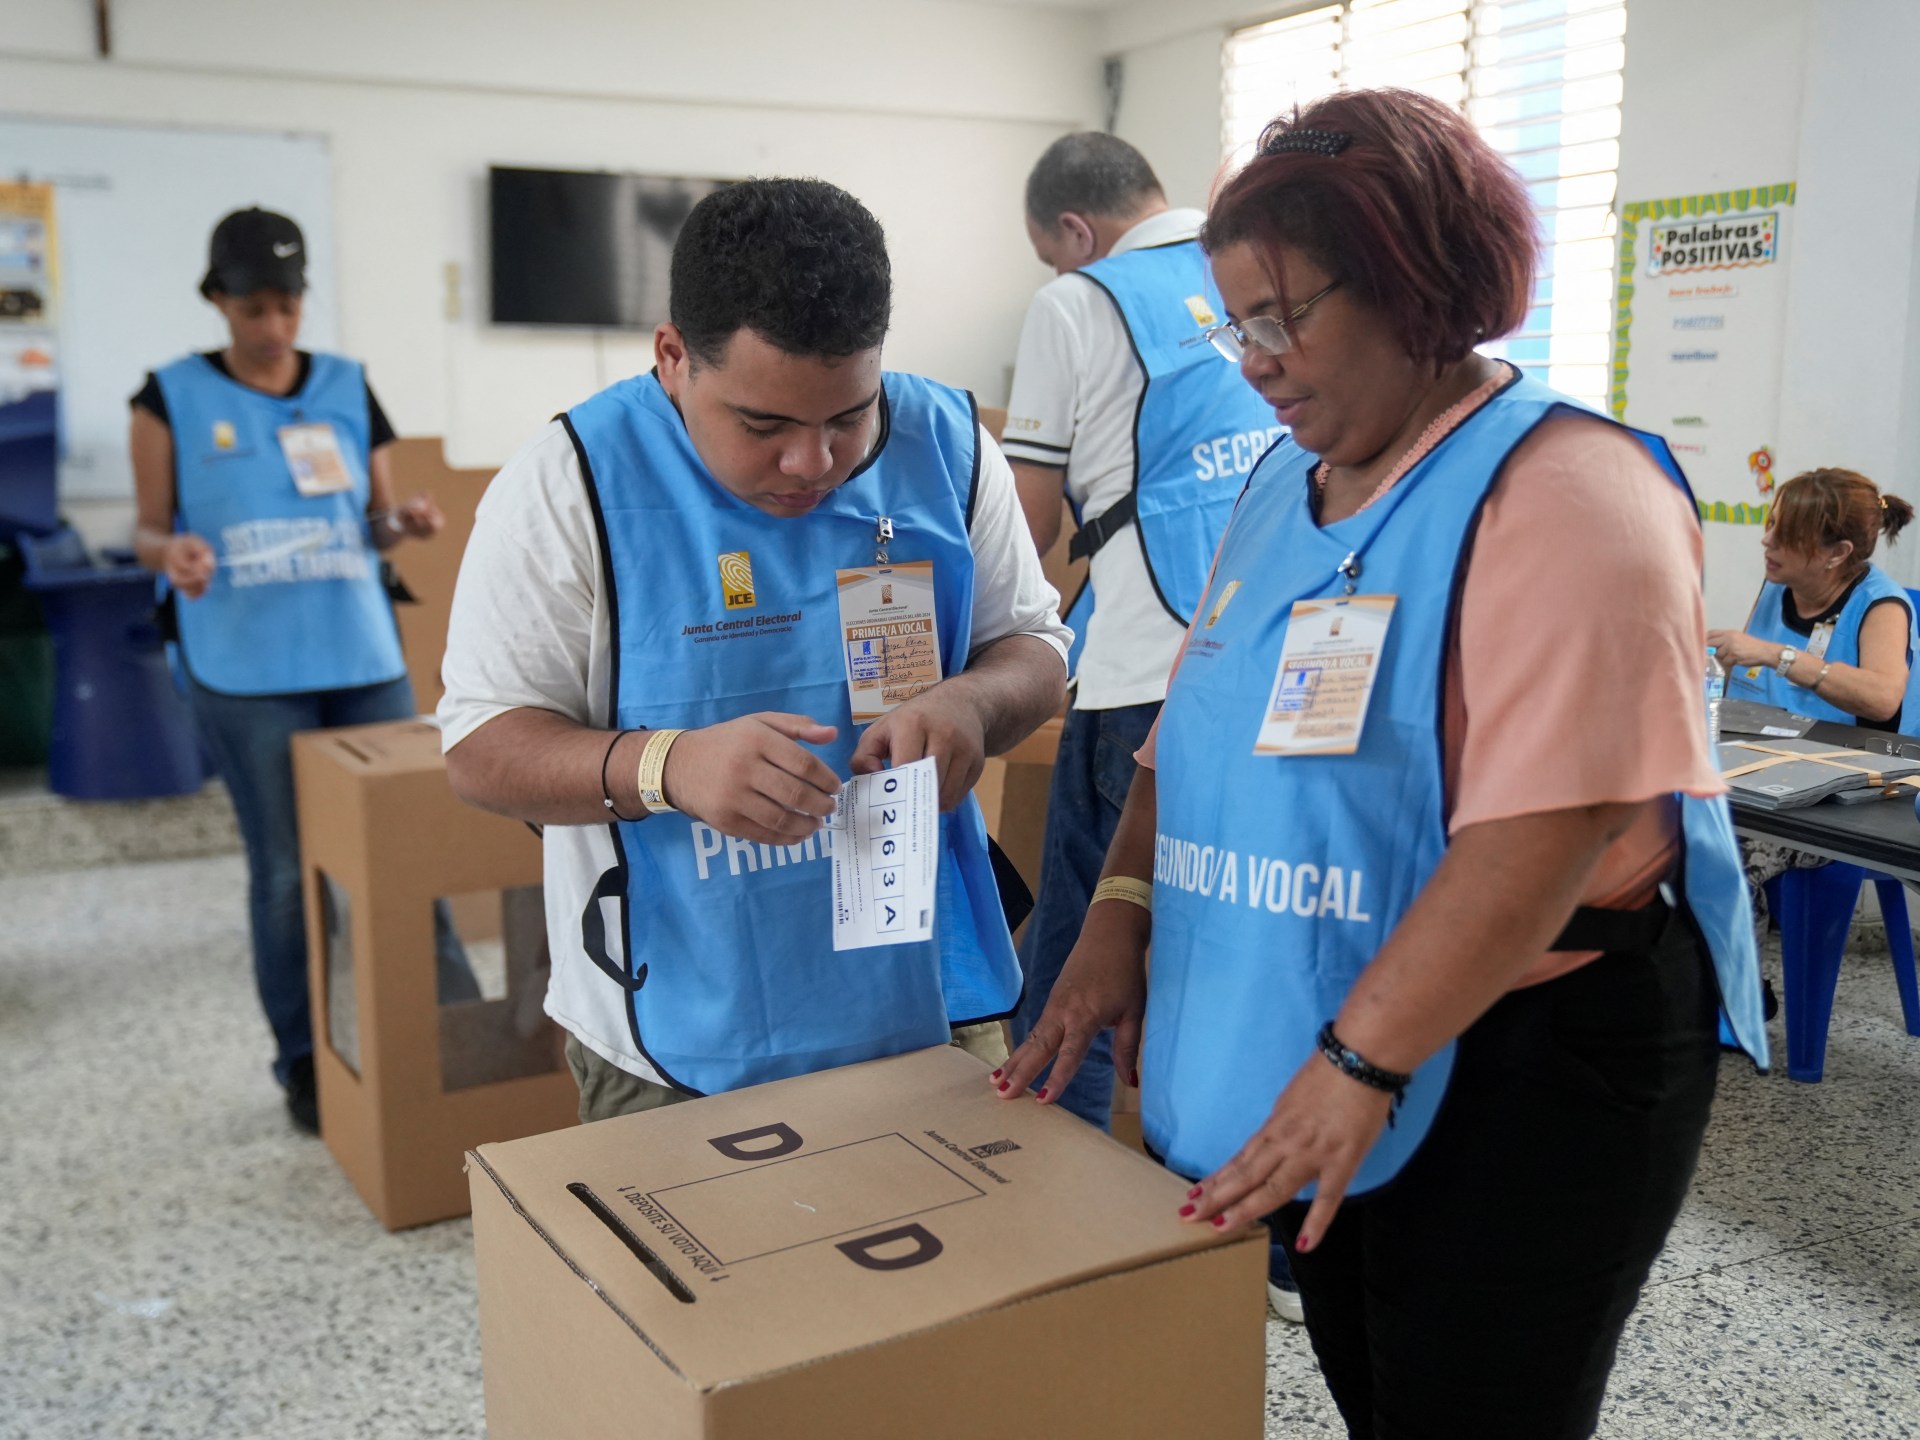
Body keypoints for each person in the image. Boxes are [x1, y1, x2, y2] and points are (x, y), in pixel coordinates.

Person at [994, 90, 1766, 1440]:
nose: (1256, 362)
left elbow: (1551, 826)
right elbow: (1190, 737)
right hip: (1338, 1012)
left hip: (1530, 1049)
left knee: (1469, 1401)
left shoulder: (1571, 491)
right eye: (1238, 323)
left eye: (1286, 317)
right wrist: (1120, 916)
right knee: (1367, 1370)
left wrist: (1357, 1064)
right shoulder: (1276, 490)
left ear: (1417, 283)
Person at [438, 178, 1069, 1121]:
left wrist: (971, 704)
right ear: (672, 359)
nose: (813, 464)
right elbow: (481, 747)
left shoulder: (947, 444)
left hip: (931, 1003)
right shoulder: (572, 482)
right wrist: (669, 764)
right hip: (677, 1033)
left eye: (849, 417)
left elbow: (1036, 649)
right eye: (763, 425)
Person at [1002, 132, 1303, 1319]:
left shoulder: (1077, 299)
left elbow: (1023, 527)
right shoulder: (1254, 277)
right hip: (1272, 664)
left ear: (1073, 231)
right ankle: (1273, 1250)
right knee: (1244, 954)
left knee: (1081, 954)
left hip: (1139, 670)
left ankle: (1047, 1224)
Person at [131, 206, 473, 1135]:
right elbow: (147, 527)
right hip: (243, 666)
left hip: (357, 654)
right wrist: (173, 556)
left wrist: (405, 525)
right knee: (287, 871)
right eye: (252, 308)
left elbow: (372, 519)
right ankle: (302, 1064)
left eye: (286, 304)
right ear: (218, 302)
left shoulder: (348, 388)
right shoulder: (168, 397)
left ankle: (460, 1036)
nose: (272, 326)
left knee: (411, 847)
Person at [1707, 467, 1920, 928]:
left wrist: (1778, 655)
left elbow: (1883, 699)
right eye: (1770, 525)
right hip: (1766, 767)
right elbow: (1747, 677)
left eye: (1785, 534)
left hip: (1846, 797)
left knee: (1721, 865)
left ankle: (1743, 997)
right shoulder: (1778, 585)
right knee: (1658, 832)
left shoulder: (1881, 605)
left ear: (1836, 553)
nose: (1767, 541)